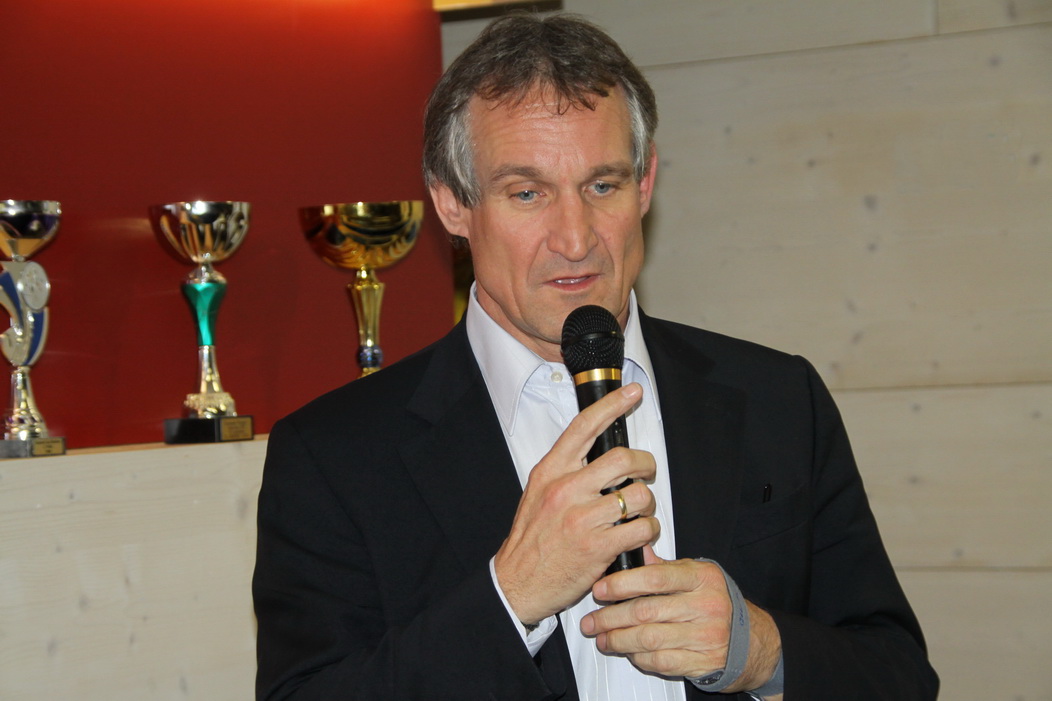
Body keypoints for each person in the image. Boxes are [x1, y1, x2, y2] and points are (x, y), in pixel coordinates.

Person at [253, 13, 939, 701]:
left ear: (646, 183)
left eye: (602, 185)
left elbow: (899, 675)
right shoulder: (333, 455)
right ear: (453, 203)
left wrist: (759, 650)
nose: (575, 238)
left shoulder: (779, 399)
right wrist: (510, 597)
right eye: (528, 193)